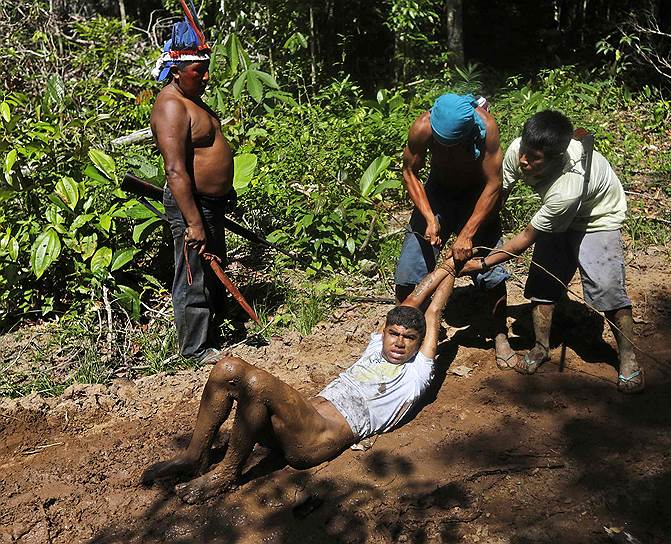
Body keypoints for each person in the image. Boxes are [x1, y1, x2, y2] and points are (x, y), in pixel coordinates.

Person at [141, 263, 456, 503]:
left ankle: (227, 473)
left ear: (420, 343)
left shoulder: (416, 375)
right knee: (227, 368)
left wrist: (454, 266)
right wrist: (445, 263)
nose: (399, 342)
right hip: (296, 419)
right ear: (386, 331)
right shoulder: (376, 346)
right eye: (395, 334)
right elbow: (413, 300)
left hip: (317, 438)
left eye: (409, 338)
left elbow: (434, 309)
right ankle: (195, 456)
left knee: (257, 382)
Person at [466, 110, 644, 393]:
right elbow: (500, 192)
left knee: (608, 290)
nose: (524, 161)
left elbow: (525, 238)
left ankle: (628, 358)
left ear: (556, 157)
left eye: (534, 158)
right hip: (560, 214)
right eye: (525, 151)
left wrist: (484, 264)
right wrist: (474, 231)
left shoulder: (567, 189)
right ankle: (540, 347)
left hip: (597, 217)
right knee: (542, 285)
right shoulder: (517, 151)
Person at [394, 92, 515, 368]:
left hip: (477, 194)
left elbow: (493, 184)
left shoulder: (487, 130)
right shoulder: (423, 127)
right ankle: (415, 333)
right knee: (408, 270)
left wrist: (468, 233)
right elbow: (410, 171)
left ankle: (499, 333)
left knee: (492, 274)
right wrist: (428, 217)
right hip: (438, 192)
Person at [150, 7, 234, 363]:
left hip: (209, 204)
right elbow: (175, 171)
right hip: (192, 206)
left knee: (213, 267)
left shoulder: (191, 99)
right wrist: (193, 222)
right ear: (177, 72)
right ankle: (195, 349)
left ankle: (214, 333)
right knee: (193, 275)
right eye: (199, 71)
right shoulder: (171, 106)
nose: (207, 76)